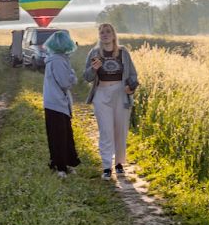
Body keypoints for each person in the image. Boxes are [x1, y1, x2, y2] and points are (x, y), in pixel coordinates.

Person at [83, 22, 138, 180]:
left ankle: (119, 164)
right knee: (106, 131)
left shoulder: (123, 52)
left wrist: (131, 88)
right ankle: (107, 166)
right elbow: (86, 77)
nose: (105, 34)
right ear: (99, 36)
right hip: (101, 93)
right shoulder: (94, 52)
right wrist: (94, 69)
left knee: (120, 130)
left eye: (108, 32)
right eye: (102, 32)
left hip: (120, 93)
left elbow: (133, 75)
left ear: (114, 35)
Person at [41, 30, 80, 176]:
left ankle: (63, 164)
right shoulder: (58, 60)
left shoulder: (57, 59)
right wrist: (73, 75)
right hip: (57, 103)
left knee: (61, 134)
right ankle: (61, 167)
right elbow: (65, 83)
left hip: (55, 102)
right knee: (60, 135)